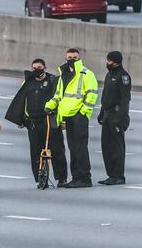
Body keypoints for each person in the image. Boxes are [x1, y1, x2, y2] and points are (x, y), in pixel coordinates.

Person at [6, 59, 68, 187]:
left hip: (49, 120)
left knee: (57, 150)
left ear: (45, 67)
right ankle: (40, 179)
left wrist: (61, 120)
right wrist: (21, 119)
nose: (36, 70)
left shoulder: (53, 80)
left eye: (39, 67)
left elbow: (59, 99)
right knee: (35, 152)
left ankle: (61, 178)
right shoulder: (28, 82)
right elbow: (22, 100)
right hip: (33, 122)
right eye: (34, 68)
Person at [45, 48, 98, 188]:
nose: (71, 59)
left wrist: (84, 112)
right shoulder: (64, 75)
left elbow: (92, 94)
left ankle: (85, 178)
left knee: (80, 148)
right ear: (65, 58)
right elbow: (58, 95)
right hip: (67, 116)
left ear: (79, 58)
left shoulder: (86, 74)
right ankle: (76, 177)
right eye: (69, 57)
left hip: (79, 116)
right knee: (73, 148)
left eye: (74, 57)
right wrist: (50, 105)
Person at [97, 51, 131, 186]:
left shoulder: (123, 76)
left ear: (115, 61)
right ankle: (111, 175)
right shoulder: (109, 74)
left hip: (116, 116)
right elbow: (105, 95)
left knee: (117, 147)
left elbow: (125, 99)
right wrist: (101, 112)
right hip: (107, 114)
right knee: (106, 146)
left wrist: (120, 117)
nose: (107, 62)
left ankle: (118, 176)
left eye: (109, 60)